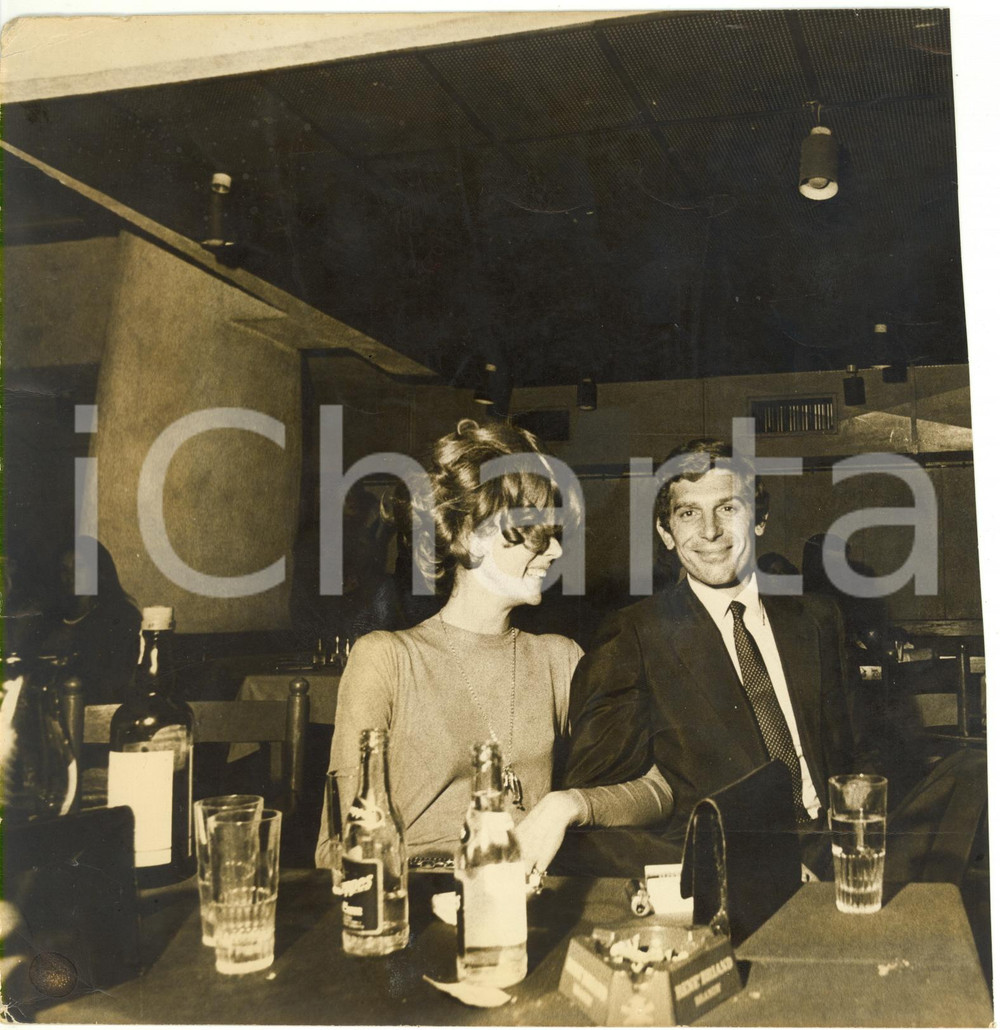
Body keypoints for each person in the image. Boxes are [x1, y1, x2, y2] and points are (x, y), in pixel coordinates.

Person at [317, 419, 671, 871]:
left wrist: (568, 805)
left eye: (555, 533)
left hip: (523, 897)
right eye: (536, 532)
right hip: (416, 894)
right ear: (468, 534)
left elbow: (658, 789)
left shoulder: (560, 659)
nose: (556, 551)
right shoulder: (387, 659)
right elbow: (335, 847)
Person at [562, 438, 866, 871]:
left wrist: (856, 829)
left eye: (728, 508)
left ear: (759, 520)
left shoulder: (818, 618)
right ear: (666, 533)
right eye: (688, 513)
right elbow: (599, 803)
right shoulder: (635, 635)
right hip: (731, 865)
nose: (710, 531)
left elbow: (863, 750)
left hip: (837, 852)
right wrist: (735, 866)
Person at [34, 537, 142, 705]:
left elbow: (116, 681)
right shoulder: (49, 618)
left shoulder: (121, 616)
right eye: (64, 569)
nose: (70, 576)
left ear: (99, 571)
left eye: (79, 567)